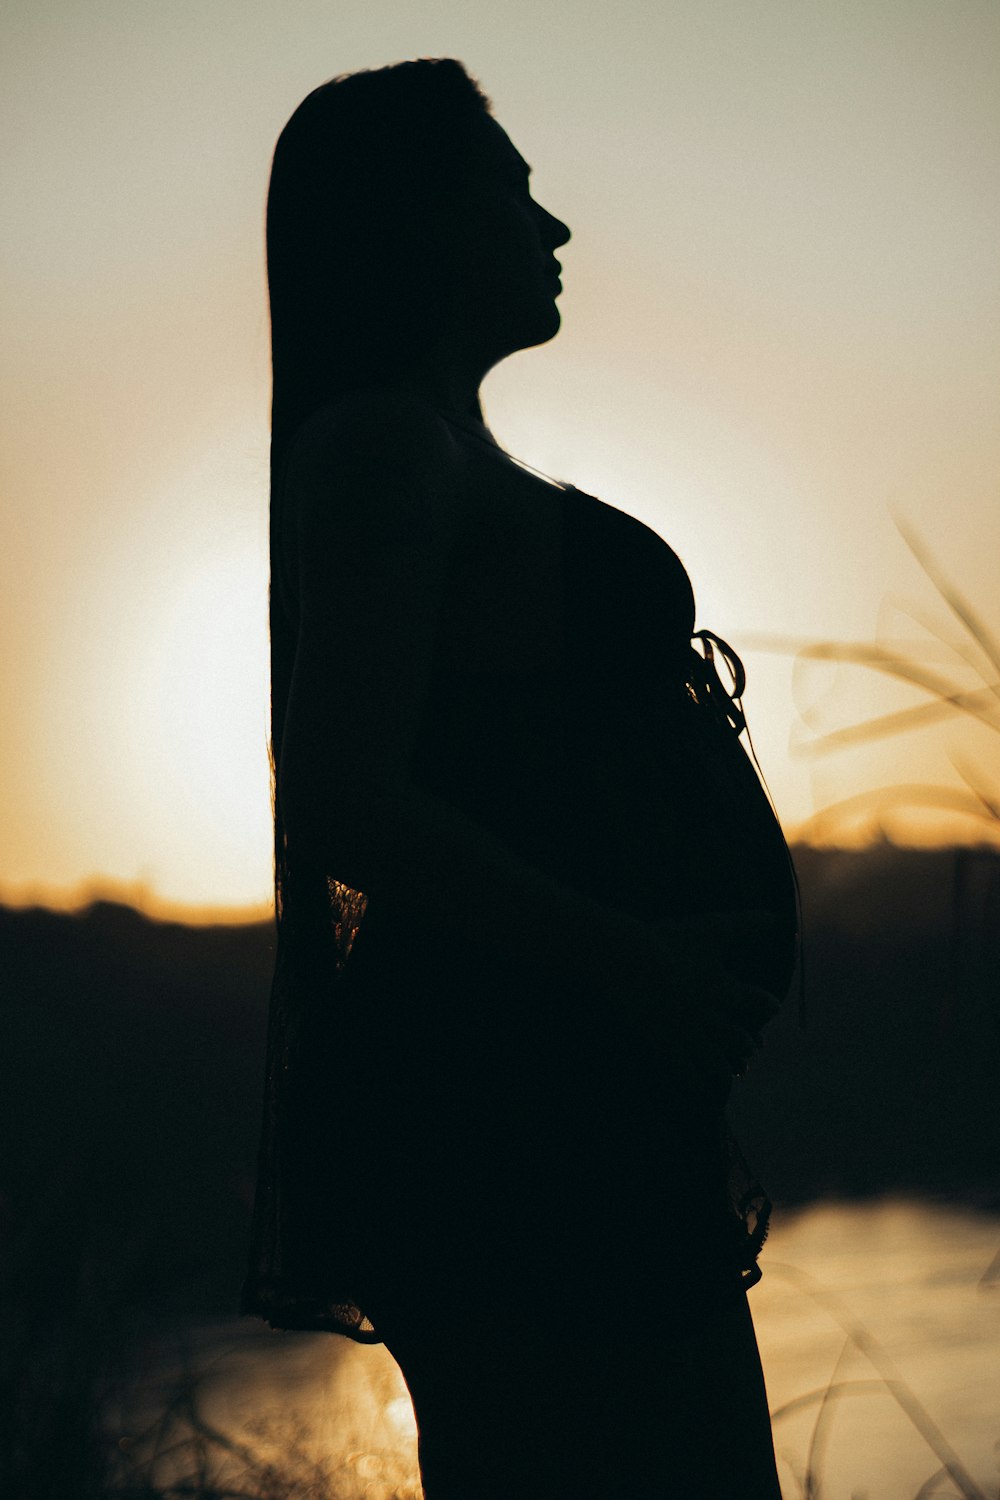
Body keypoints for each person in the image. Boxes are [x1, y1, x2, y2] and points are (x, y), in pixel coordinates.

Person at [242, 57, 799, 1499]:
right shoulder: (385, 452)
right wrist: (632, 965)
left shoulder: (428, 448)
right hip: (510, 1121)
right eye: (513, 191)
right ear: (411, 219)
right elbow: (345, 794)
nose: (551, 231)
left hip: (566, 1098)